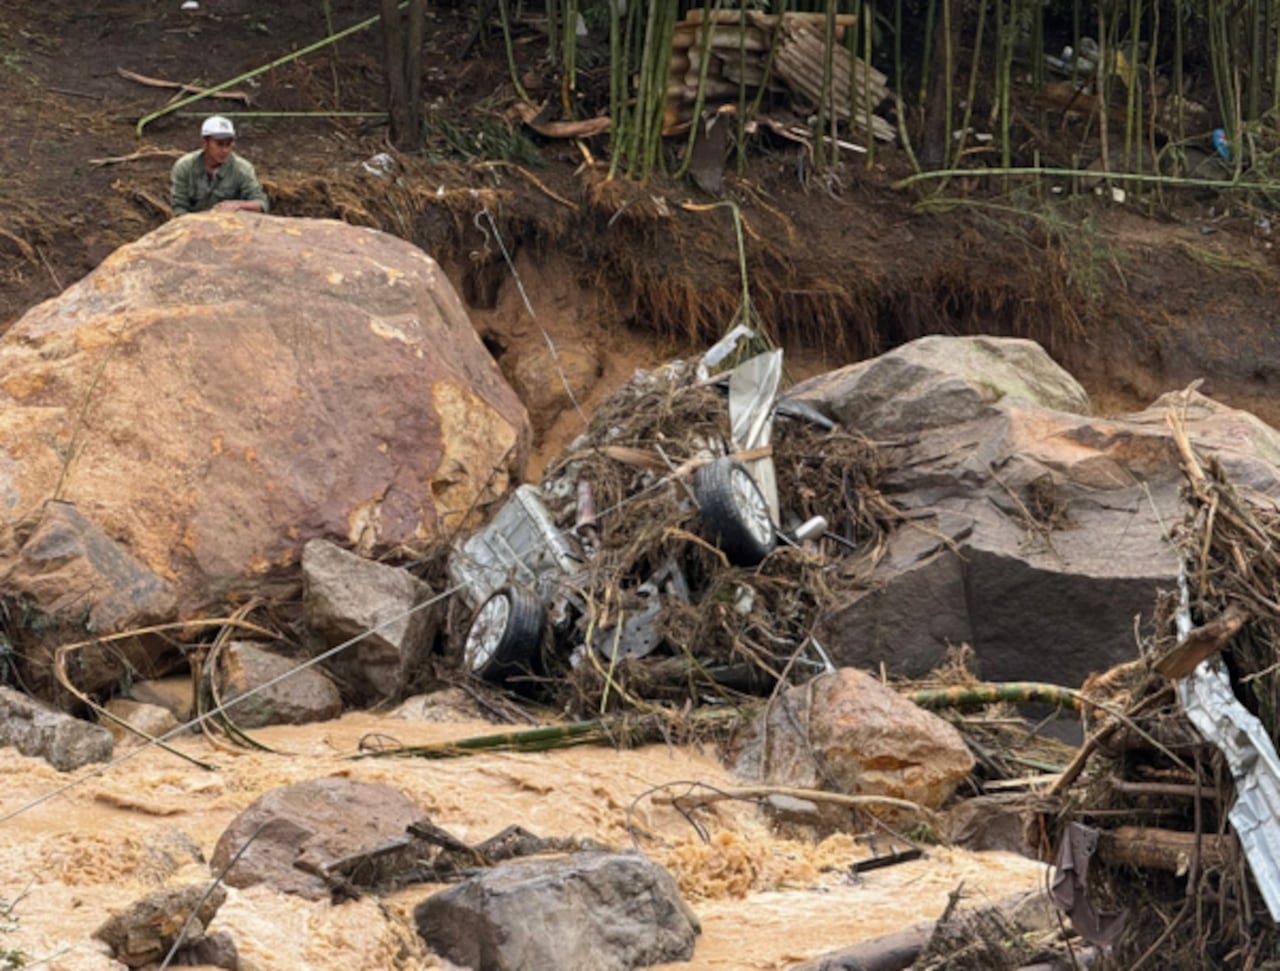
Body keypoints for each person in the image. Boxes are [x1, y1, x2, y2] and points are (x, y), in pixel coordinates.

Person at [170, 115, 269, 216]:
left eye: (228, 144)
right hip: (193, 225)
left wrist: (238, 205)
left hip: (230, 225)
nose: (225, 150)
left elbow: (261, 203)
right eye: (219, 144)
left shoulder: (242, 169)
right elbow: (179, 206)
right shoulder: (185, 167)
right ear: (205, 143)